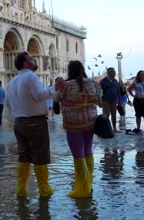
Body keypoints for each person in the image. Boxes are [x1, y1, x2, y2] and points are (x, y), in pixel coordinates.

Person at [6, 51, 55, 197]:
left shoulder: (12, 81)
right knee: (40, 156)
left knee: (23, 156)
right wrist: (54, 88)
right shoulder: (31, 76)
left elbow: (8, 104)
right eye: (31, 58)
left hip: (19, 123)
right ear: (25, 63)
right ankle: (44, 189)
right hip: (35, 122)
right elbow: (40, 95)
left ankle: (21, 190)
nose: (34, 60)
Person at [54, 60, 102, 198]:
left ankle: (81, 189)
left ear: (70, 71)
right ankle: (88, 184)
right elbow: (99, 101)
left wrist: (58, 86)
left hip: (74, 124)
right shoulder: (92, 83)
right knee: (88, 151)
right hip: (90, 122)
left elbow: (56, 99)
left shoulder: (66, 85)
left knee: (78, 155)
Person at [99, 67, 121, 132]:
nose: (113, 73)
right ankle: (105, 129)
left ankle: (114, 128)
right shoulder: (103, 81)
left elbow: (118, 91)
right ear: (108, 73)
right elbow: (99, 92)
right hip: (105, 100)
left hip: (114, 101)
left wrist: (119, 101)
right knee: (106, 115)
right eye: (111, 72)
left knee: (114, 115)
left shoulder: (115, 81)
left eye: (114, 72)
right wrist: (99, 101)